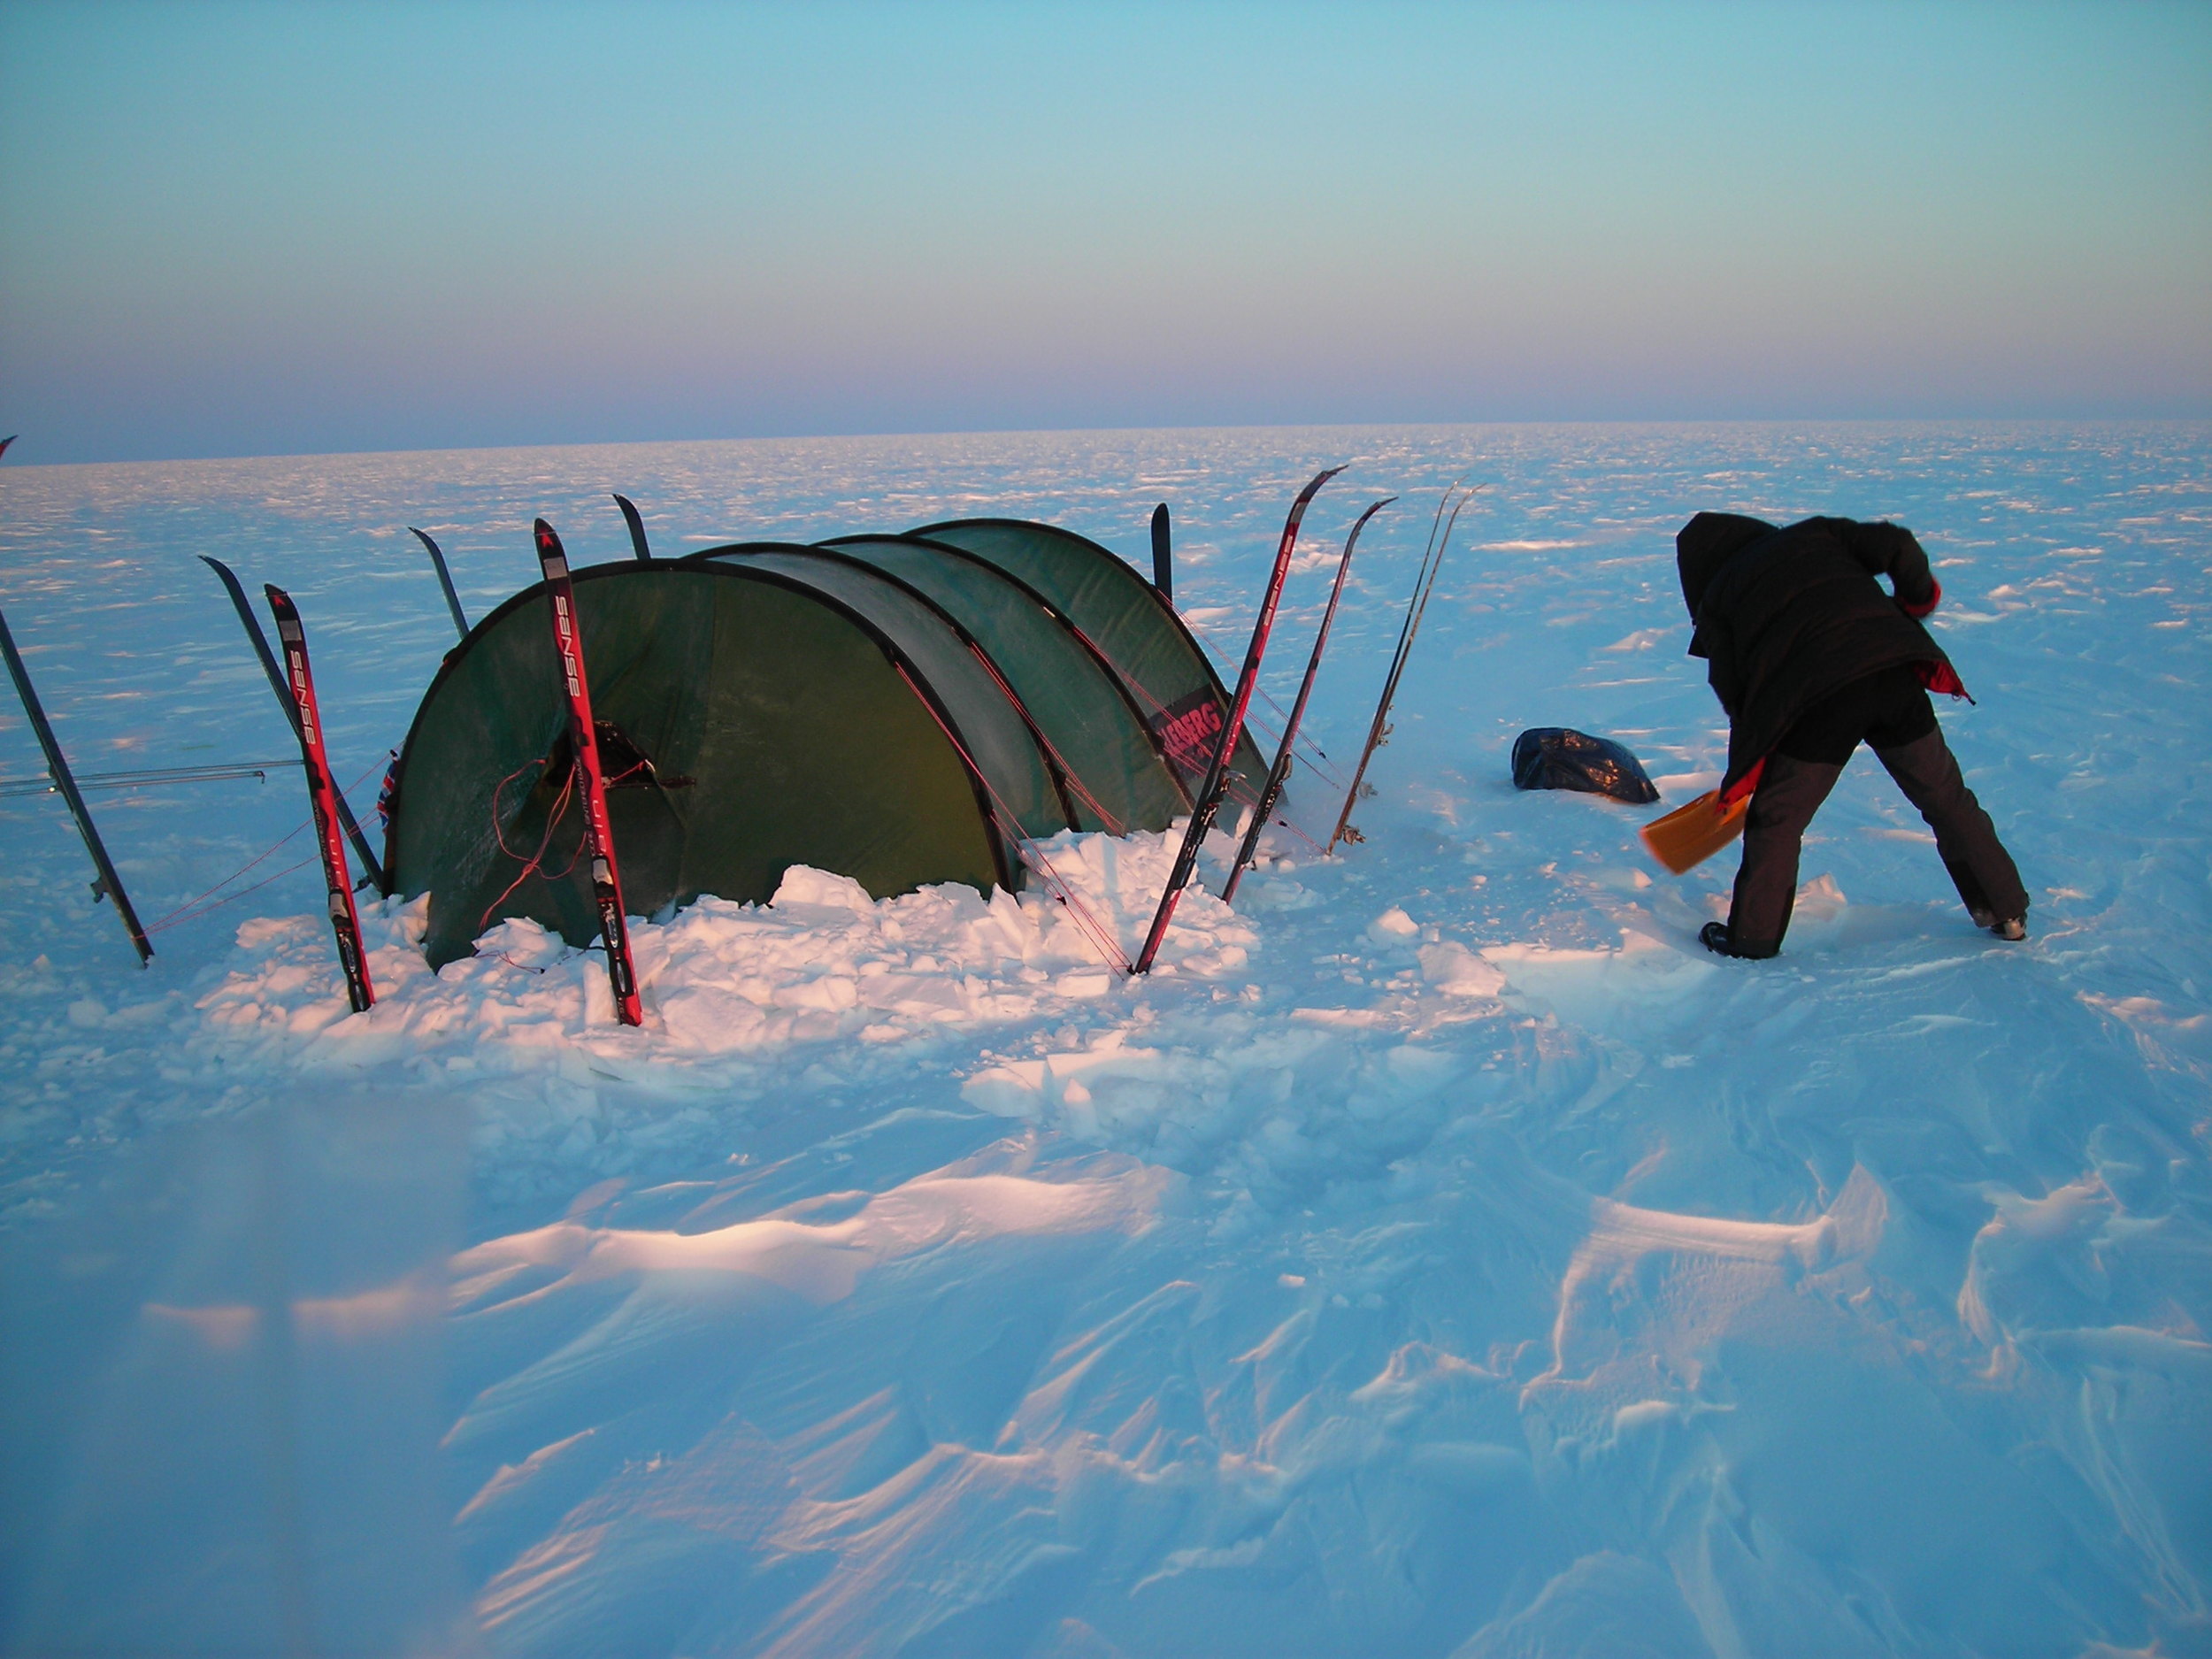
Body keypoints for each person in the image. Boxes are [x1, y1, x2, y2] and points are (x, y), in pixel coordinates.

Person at [1675, 511, 2028, 959]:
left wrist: (1746, 773)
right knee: (1946, 797)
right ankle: (2007, 911)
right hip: (1892, 669)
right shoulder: (1816, 534)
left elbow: (1740, 699)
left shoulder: (1718, 600)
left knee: (1777, 820)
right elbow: (1898, 544)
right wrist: (1914, 604)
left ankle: (1752, 939)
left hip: (1820, 700)